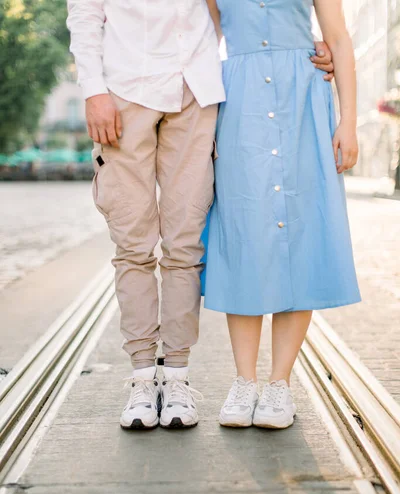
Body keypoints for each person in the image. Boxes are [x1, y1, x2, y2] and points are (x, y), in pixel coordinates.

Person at [67, 1, 335, 430]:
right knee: (134, 244)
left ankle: (176, 377)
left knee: (186, 245)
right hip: (123, 92)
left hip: (196, 95)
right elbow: (83, 17)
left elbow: (234, 12)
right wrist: (93, 90)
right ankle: (141, 378)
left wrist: (301, 44)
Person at [204, 0, 360, 429]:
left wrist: (348, 122)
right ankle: (244, 381)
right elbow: (204, 43)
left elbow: (340, 39)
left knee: (301, 234)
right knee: (245, 238)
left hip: (304, 101)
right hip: (238, 105)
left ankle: (279, 384)